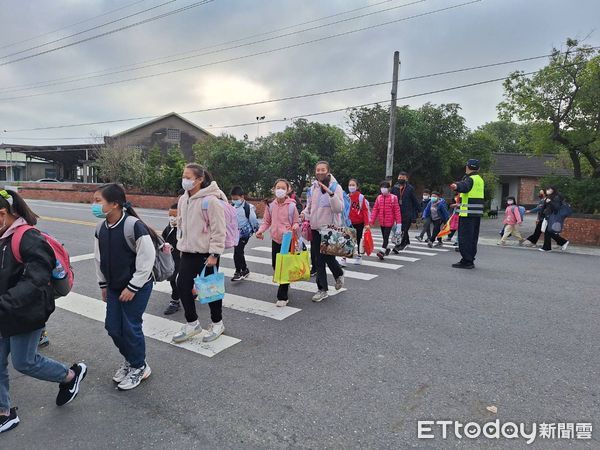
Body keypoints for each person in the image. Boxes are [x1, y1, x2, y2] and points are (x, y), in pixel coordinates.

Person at [0, 189, 87, 433]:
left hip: (27, 313)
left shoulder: (28, 238)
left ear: (3, 214)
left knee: (25, 362)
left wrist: (4, 303)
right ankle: (4, 412)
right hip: (5, 312)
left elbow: (35, 281)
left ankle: (70, 375)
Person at [93, 184, 156, 391]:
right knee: (113, 327)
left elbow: (147, 259)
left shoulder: (133, 226)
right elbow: (98, 258)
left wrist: (133, 287)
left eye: (98, 201)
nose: (94, 205)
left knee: (130, 327)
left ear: (114, 204)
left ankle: (139, 366)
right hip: (113, 287)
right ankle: (131, 359)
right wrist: (103, 284)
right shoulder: (101, 228)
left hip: (136, 287)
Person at [173, 164, 227, 343]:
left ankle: (217, 323)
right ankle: (192, 323)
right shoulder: (183, 199)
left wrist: (215, 254)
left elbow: (219, 229)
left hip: (206, 254)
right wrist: (181, 245)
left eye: (188, 177)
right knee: (182, 285)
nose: (185, 180)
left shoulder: (210, 200)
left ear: (200, 179)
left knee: (210, 290)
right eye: (184, 176)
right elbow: (182, 225)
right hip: (188, 252)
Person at [300, 161, 345, 303]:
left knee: (329, 257)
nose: (320, 172)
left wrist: (331, 194)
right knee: (318, 260)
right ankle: (322, 290)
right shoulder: (313, 187)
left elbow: (339, 208)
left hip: (329, 229)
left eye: (322, 170)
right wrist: (304, 214)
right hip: (315, 228)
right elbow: (310, 207)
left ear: (328, 171)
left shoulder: (335, 187)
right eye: (317, 170)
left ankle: (338, 274)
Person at [256, 179, 299, 306]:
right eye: (278, 187)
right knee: (276, 266)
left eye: (283, 188)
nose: (280, 190)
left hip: (287, 239)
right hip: (275, 239)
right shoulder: (271, 205)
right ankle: (285, 284)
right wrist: (260, 231)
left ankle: (282, 296)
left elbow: (296, 221)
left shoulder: (291, 206)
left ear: (288, 190)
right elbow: (266, 221)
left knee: (283, 267)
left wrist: (295, 226)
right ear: (274, 189)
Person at [450, 159, 485, 269]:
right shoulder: (480, 179)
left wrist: (456, 186)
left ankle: (466, 261)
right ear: (478, 168)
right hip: (476, 213)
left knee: (464, 238)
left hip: (467, 214)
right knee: (473, 238)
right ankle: (470, 259)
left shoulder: (469, 178)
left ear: (467, 167)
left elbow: (464, 187)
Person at [230, 186, 259, 282]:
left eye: (236, 199)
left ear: (242, 197)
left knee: (237, 251)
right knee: (238, 252)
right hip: (235, 234)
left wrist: (257, 231)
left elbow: (253, 220)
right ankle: (244, 269)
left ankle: (238, 271)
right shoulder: (232, 206)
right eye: (233, 199)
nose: (234, 201)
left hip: (245, 233)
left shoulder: (248, 208)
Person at [369, 181, 401, 260]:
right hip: (382, 221)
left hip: (389, 222)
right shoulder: (379, 198)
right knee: (384, 237)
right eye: (382, 187)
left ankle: (382, 252)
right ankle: (387, 248)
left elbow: (397, 211)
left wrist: (399, 224)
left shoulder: (394, 198)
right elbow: (375, 209)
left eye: (385, 187)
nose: (383, 189)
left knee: (386, 236)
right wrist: (371, 221)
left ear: (389, 188)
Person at [391, 171, 419, 252]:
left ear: (406, 179)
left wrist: (419, 211)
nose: (400, 179)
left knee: (404, 229)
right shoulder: (394, 187)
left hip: (407, 212)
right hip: (397, 212)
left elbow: (414, 200)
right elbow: (391, 198)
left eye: (402, 178)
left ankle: (400, 245)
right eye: (399, 178)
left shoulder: (410, 188)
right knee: (400, 229)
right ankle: (407, 241)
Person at [163, 204, 182, 315]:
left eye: (175, 215)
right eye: (170, 215)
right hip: (170, 259)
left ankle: (175, 301)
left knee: (175, 280)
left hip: (180, 259)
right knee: (172, 279)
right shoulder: (169, 227)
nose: (172, 217)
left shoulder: (182, 228)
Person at [539, 186, 570, 252]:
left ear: (553, 190)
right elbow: (545, 207)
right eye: (547, 189)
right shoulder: (549, 197)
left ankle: (548, 247)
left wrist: (550, 202)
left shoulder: (556, 197)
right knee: (548, 232)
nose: (548, 190)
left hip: (553, 216)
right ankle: (561, 242)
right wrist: (542, 215)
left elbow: (557, 207)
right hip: (548, 216)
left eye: (549, 189)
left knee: (549, 232)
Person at [347, 178, 370, 265]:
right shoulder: (347, 197)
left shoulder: (360, 197)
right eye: (350, 185)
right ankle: (344, 258)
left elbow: (365, 210)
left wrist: (367, 223)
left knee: (359, 240)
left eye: (353, 185)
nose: (351, 187)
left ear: (357, 187)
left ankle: (359, 256)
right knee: (348, 240)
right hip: (349, 222)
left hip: (359, 222)